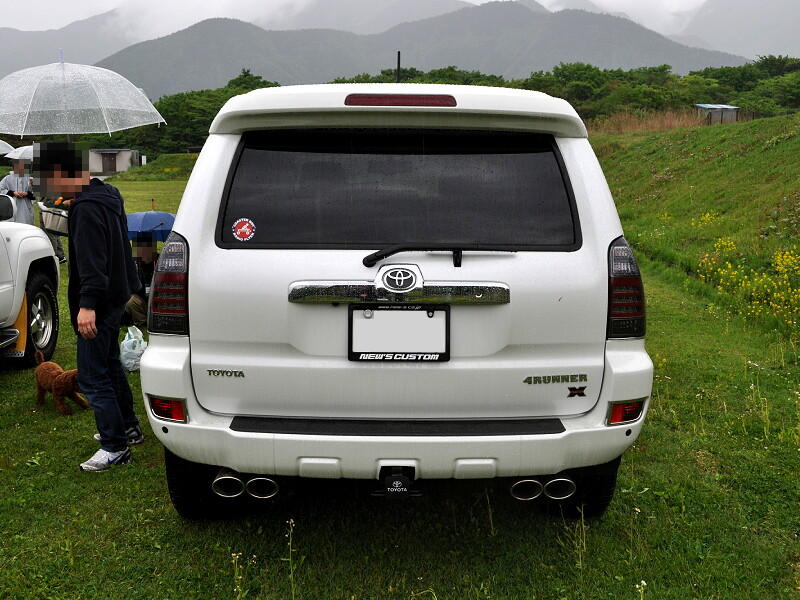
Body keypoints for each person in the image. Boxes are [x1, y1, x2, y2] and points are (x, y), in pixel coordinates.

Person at [35, 142, 143, 471]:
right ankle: (128, 428)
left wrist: (87, 306)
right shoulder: (107, 195)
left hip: (100, 302)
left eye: (49, 179)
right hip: (117, 295)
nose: (50, 187)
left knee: (93, 376)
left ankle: (115, 447)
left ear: (63, 174)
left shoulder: (87, 209)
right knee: (109, 365)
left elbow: (93, 262)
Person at [0, 159, 35, 225]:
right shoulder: (8, 178)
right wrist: (13, 193)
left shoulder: (29, 179)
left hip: (25, 208)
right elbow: (1, 190)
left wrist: (27, 193)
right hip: (11, 206)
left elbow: (36, 195)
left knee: (25, 225)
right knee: (11, 225)